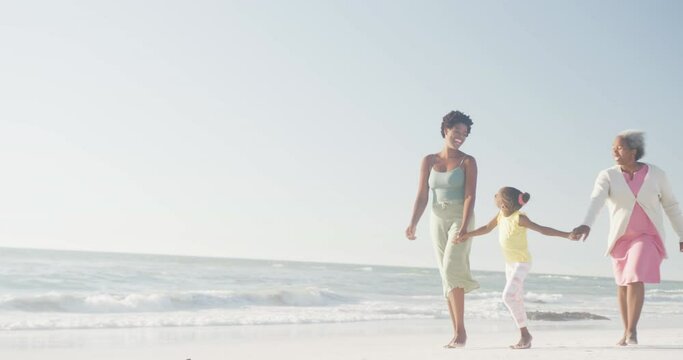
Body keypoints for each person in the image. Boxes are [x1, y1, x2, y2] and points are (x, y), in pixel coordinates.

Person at [571, 130, 683, 346]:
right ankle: (626, 331)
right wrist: (586, 223)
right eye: (613, 148)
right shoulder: (608, 175)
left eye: (619, 147)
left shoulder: (657, 174)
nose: (614, 151)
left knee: (634, 275)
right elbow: (596, 200)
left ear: (633, 151)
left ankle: (632, 332)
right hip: (621, 238)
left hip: (648, 236)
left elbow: (671, 206)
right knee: (623, 284)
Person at [454, 187, 576, 349]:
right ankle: (524, 336)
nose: (494, 196)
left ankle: (525, 334)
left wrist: (567, 235)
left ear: (504, 203)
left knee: (507, 297)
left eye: (497, 195)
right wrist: (466, 235)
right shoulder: (500, 216)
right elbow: (486, 228)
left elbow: (542, 230)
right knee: (516, 299)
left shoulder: (519, 218)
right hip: (509, 264)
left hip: (522, 263)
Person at [405, 110, 479, 348]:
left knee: (452, 267)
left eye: (465, 134)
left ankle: (461, 333)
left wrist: (465, 226)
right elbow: (422, 194)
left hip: (460, 216)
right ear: (446, 129)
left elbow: (470, 195)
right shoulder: (429, 160)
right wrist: (413, 222)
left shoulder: (468, 161)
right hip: (436, 218)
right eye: (457, 131)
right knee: (445, 275)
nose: (460, 136)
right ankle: (457, 332)